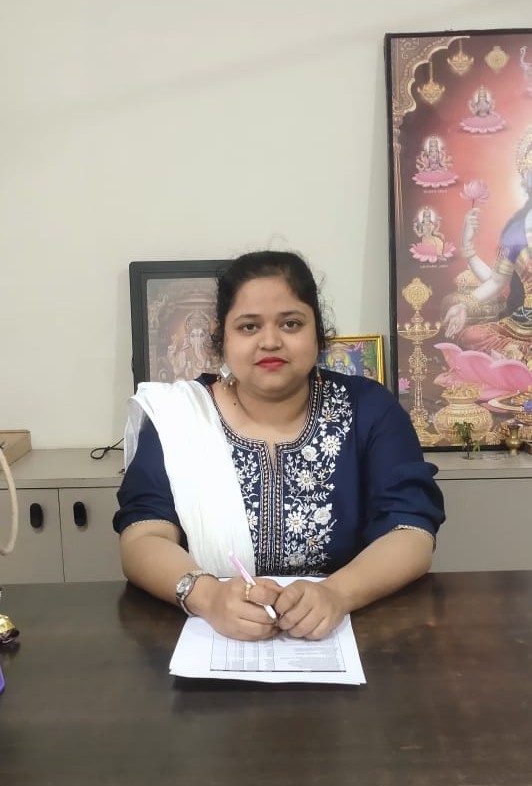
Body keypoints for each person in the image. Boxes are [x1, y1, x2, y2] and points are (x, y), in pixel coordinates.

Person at [113, 250, 445, 641]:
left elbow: (411, 531)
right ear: (223, 338)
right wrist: (209, 597)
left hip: (344, 636)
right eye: (249, 327)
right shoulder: (179, 418)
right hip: (211, 638)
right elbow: (143, 537)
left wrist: (336, 594)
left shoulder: (369, 410)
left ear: (317, 333)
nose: (270, 341)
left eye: (290, 323)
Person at [443, 128, 532, 360]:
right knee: (473, 336)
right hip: (526, 323)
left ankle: (517, 362)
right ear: (525, 180)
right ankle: (519, 360)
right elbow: (496, 280)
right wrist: (465, 305)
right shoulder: (515, 231)